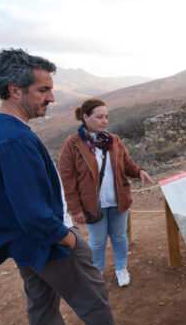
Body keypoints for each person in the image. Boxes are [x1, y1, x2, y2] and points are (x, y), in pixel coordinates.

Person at [0, 48, 149, 325]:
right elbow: (33, 212)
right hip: (44, 239)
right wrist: (68, 238)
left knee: (41, 302)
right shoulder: (14, 139)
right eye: (42, 90)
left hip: (21, 243)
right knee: (91, 291)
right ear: (14, 90)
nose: (51, 97)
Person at [59, 98, 153, 287]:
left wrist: (139, 171)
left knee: (119, 237)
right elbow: (67, 180)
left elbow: (127, 163)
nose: (105, 121)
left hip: (118, 199)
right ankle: (97, 272)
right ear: (85, 117)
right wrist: (75, 209)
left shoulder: (114, 140)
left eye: (107, 117)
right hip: (92, 203)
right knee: (97, 241)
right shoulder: (72, 144)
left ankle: (121, 269)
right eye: (99, 117)